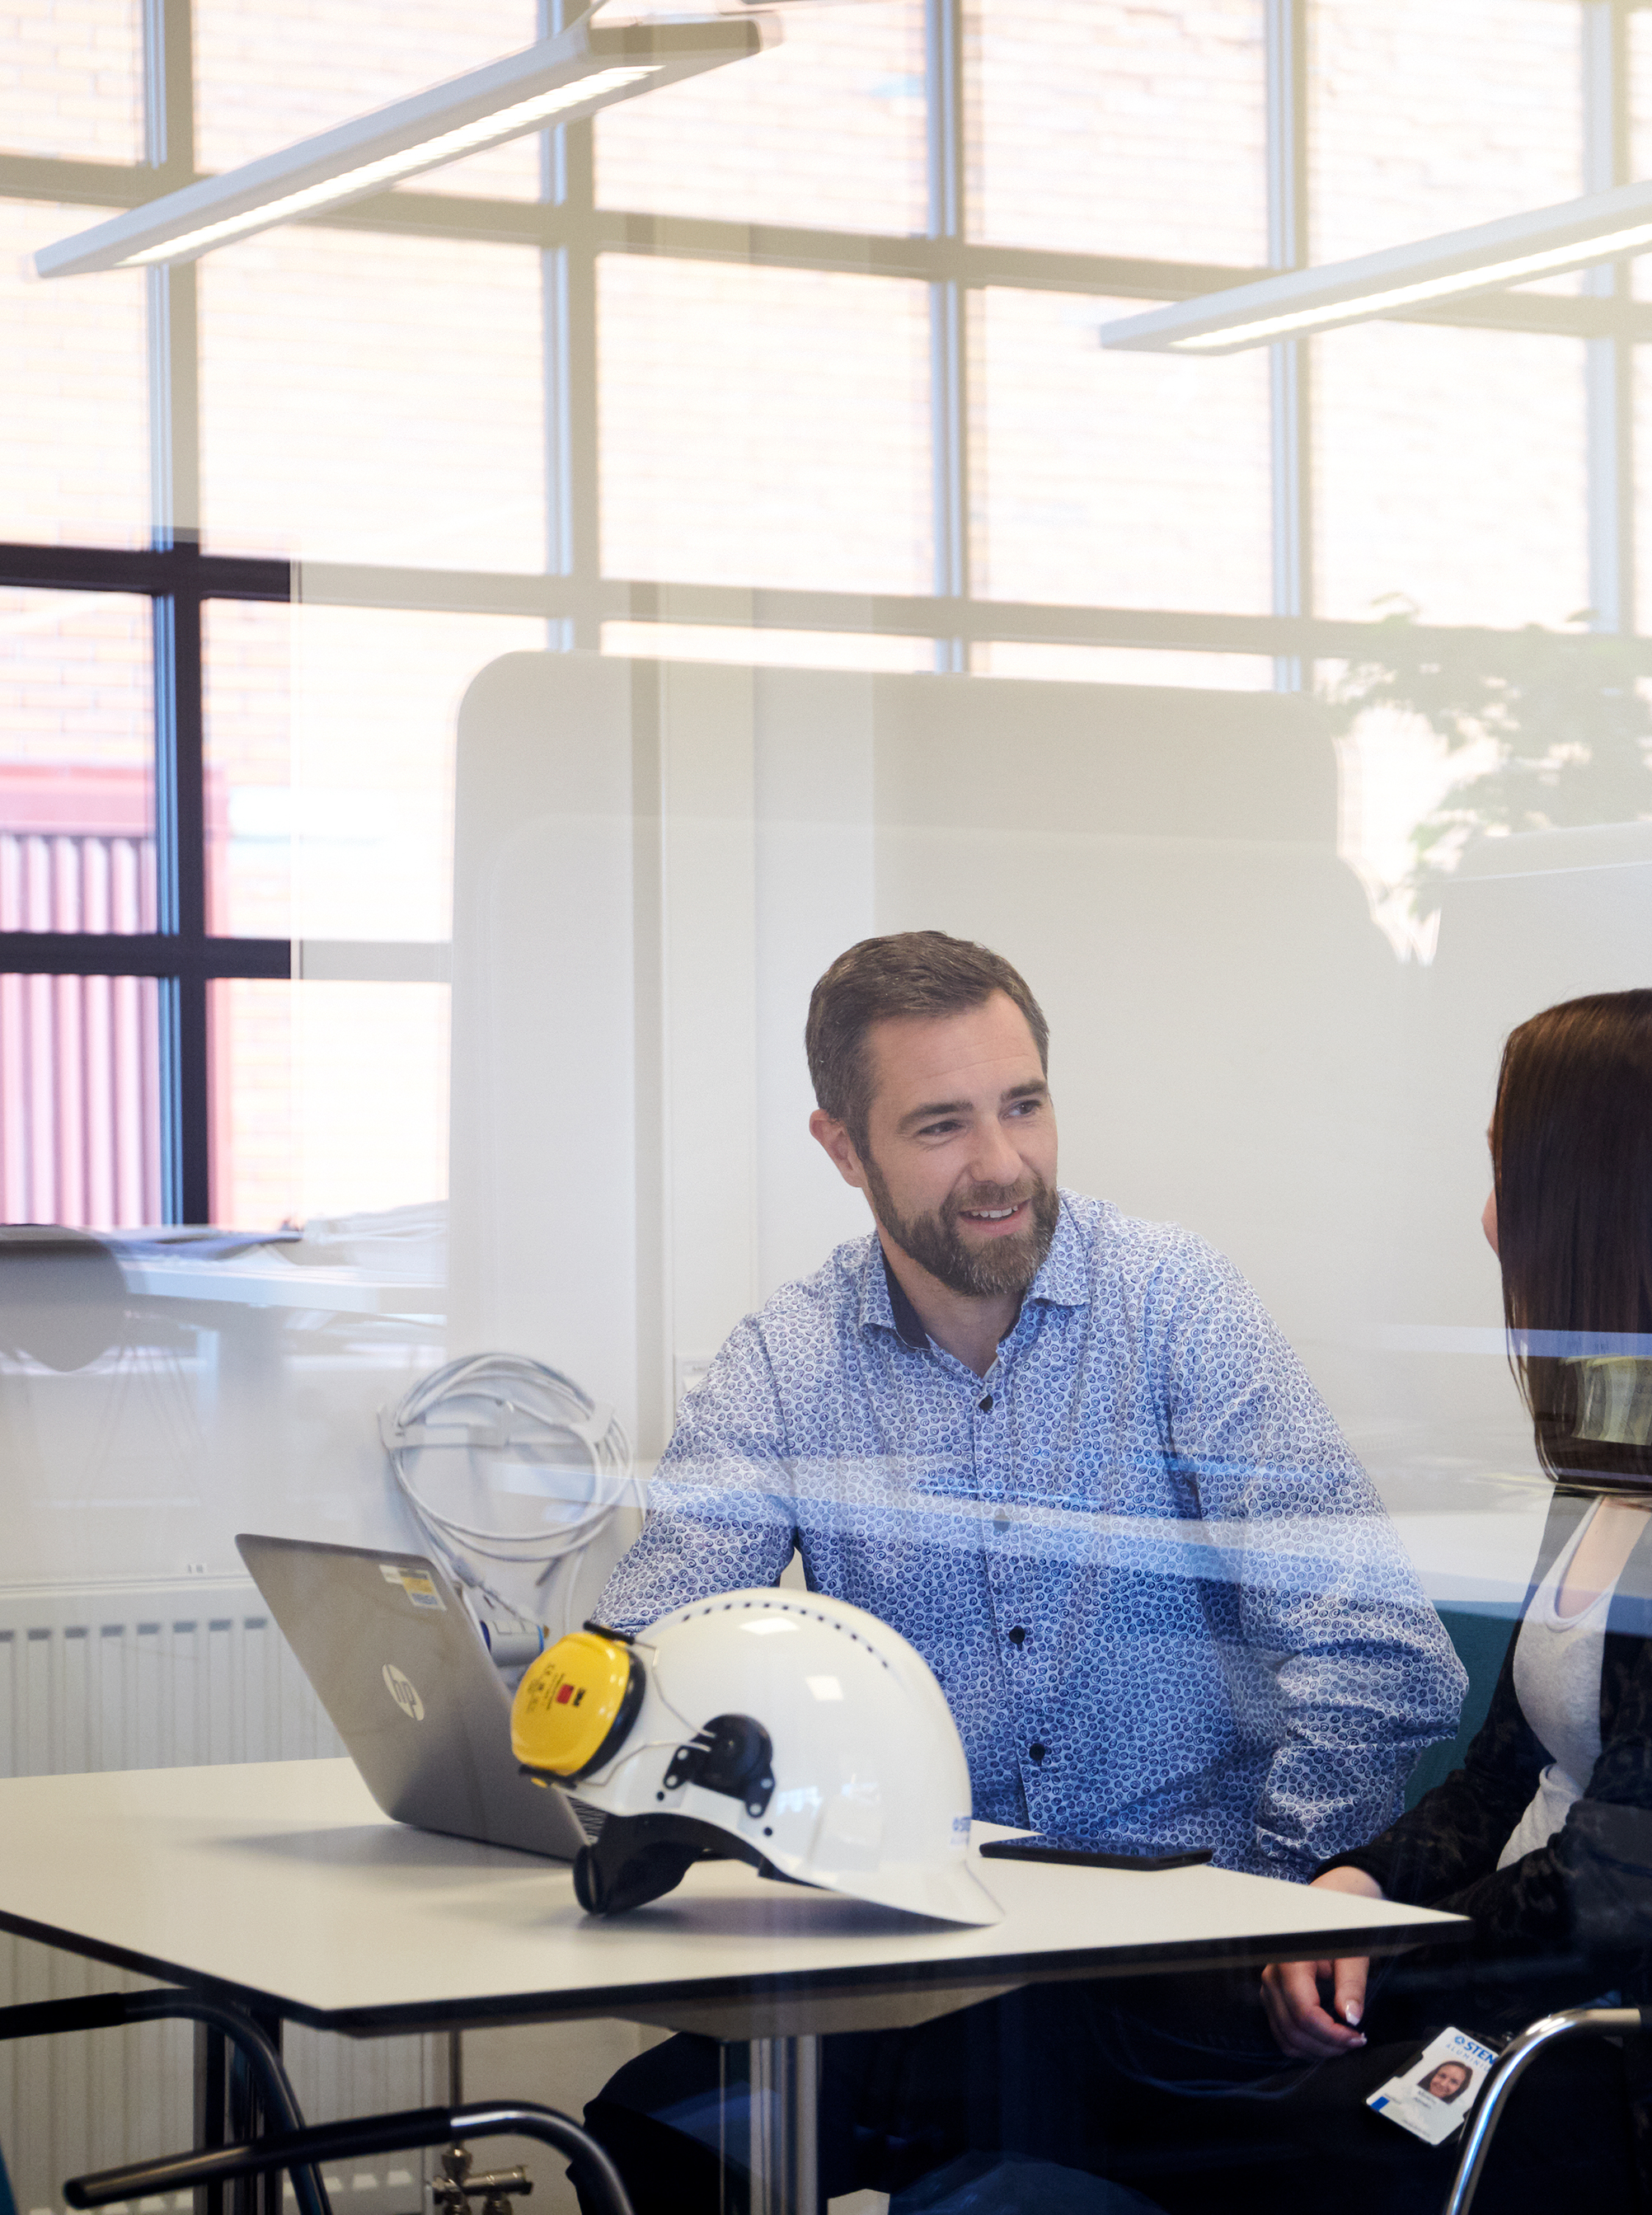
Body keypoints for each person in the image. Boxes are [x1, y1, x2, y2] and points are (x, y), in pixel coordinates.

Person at [579, 930, 1463, 2208]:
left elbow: (1383, 1659)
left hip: (1169, 1961)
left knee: (989, 2164)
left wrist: (1271, 1902)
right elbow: (646, 1664)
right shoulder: (790, 1358)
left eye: (1025, 1107)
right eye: (940, 1126)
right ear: (842, 1148)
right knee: (640, 2137)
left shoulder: (1177, 1308)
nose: (1002, 1167)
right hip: (923, 1954)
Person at [1079, 986, 1652, 2215]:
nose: (1488, 1222)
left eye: (1510, 1174)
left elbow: (1643, 1880)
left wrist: (1394, 1959)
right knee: (1131, 2037)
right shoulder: (1622, 1442)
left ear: (1612, 1199)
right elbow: (1499, 1778)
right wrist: (1358, 1887)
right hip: (1538, 2003)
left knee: (1226, 2131)